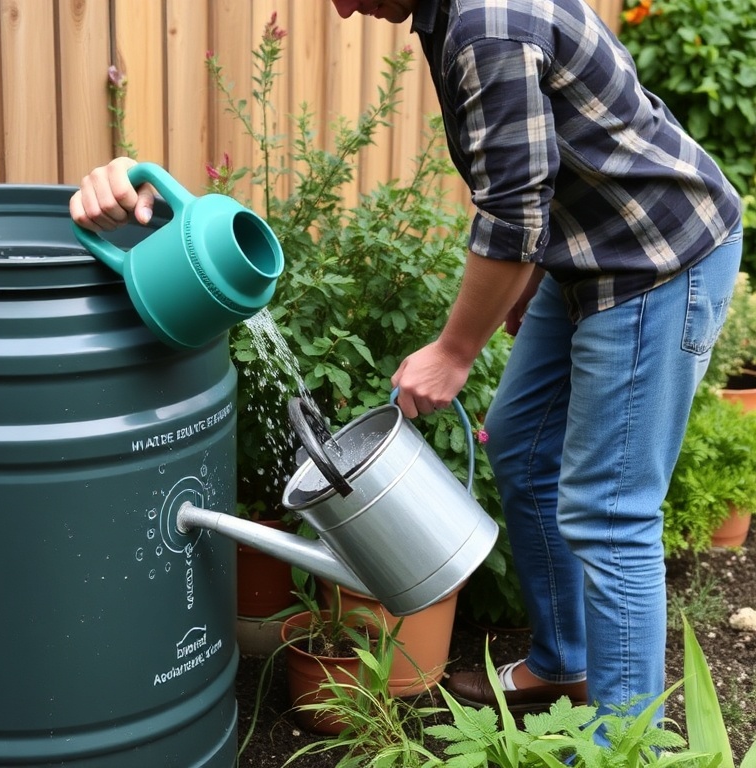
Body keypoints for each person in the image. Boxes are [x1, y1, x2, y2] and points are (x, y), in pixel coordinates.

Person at [71, 0, 744, 724]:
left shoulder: (489, 22)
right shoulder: (444, 13)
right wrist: (534, 274)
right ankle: (564, 663)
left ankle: (625, 741)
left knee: (610, 512)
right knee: (519, 446)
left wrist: (456, 352)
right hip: (581, 251)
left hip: (655, 261)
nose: (344, 7)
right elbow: (560, 150)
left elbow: (513, 214)